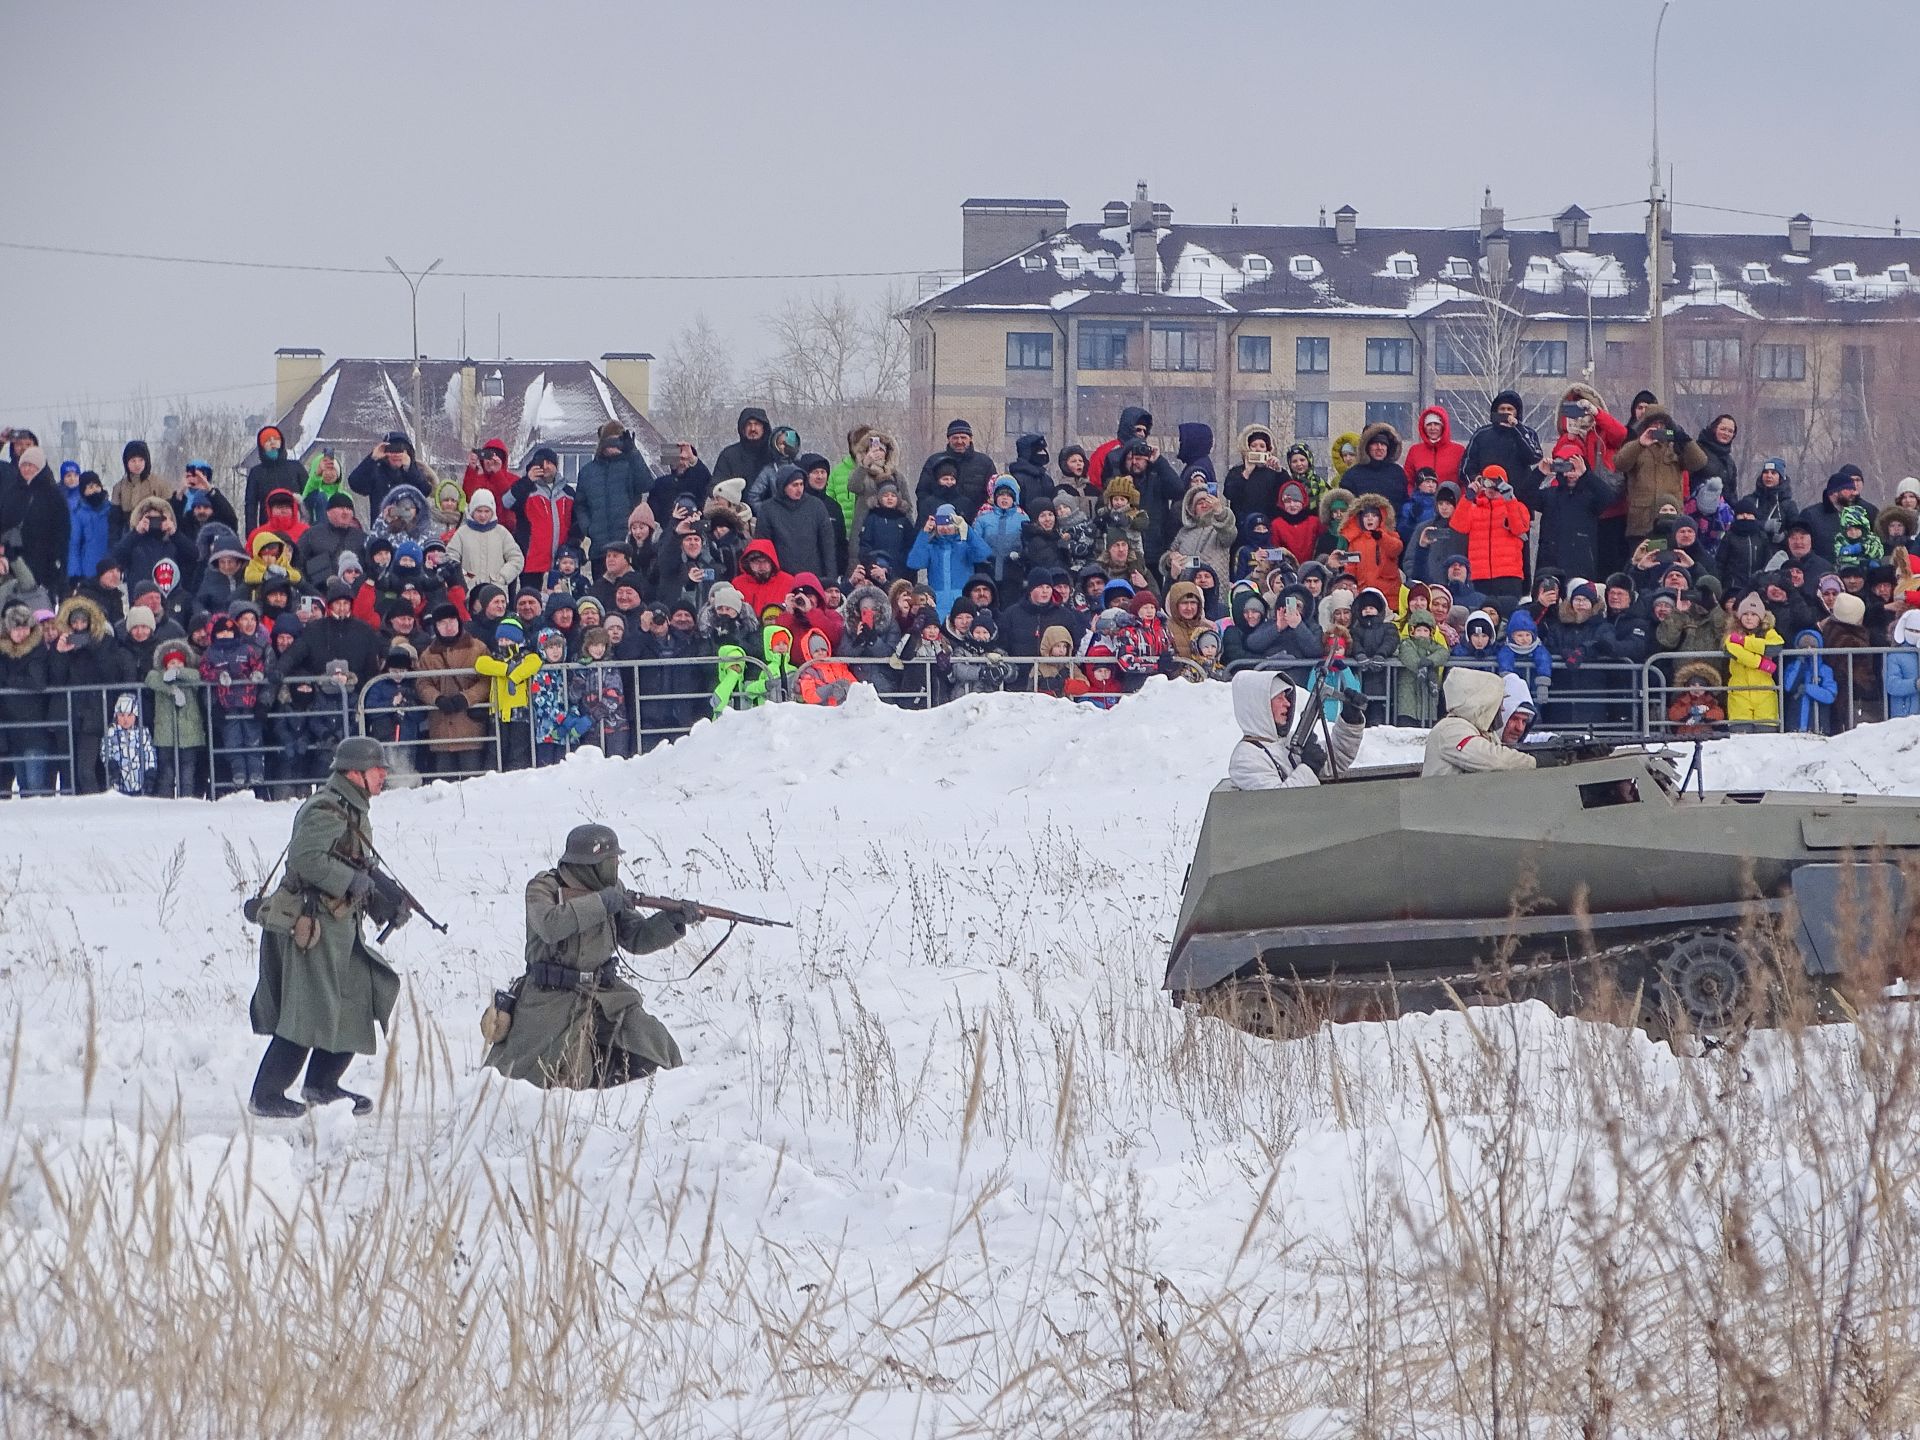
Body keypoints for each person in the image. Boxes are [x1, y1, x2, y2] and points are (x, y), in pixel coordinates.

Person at [246, 736, 406, 1118]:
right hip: (312, 924)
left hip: (340, 924)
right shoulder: (325, 809)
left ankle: (322, 1085)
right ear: (354, 772)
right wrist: (350, 882)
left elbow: (354, 863)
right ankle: (266, 1094)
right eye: (376, 769)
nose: (383, 775)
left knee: (356, 1000)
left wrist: (386, 902)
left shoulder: (352, 807)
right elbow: (306, 860)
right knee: (308, 1010)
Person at [482, 824, 687, 1088]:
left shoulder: (613, 889)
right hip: (550, 997)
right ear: (590, 863)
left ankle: (611, 1071)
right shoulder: (542, 887)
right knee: (556, 1076)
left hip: (604, 993)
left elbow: (636, 937)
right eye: (610, 860)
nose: (616, 865)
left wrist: (672, 921)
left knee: (656, 1045)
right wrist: (602, 903)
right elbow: (550, 925)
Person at [1226, 668, 1364, 791]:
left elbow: (1334, 763)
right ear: (1259, 706)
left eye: (1286, 697)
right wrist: (1308, 768)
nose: (1287, 703)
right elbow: (1276, 806)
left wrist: (1350, 720)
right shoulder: (1246, 759)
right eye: (1279, 698)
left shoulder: (1286, 743)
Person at [1422, 668, 1537, 776]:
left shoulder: (1483, 732)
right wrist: (1533, 761)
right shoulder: (1450, 729)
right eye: (1498, 702)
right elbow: (1493, 760)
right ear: (1483, 702)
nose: (1502, 709)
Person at [575, 422, 654, 573]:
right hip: (599, 548)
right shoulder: (587, 472)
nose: (613, 446)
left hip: (626, 545)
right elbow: (580, 505)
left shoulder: (630, 466)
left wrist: (633, 453)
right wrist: (588, 528)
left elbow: (646, 484)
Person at [243, 426, 310, 532]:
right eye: (267, 440)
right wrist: (251, 533)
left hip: (297, 528)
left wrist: (311, 527)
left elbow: (308, 496)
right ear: (262, 446)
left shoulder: (296, 467)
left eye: (276, 439)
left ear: (281, 442)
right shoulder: (256, 472)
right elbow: (251, 505)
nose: (272, 442)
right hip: (268, 530)